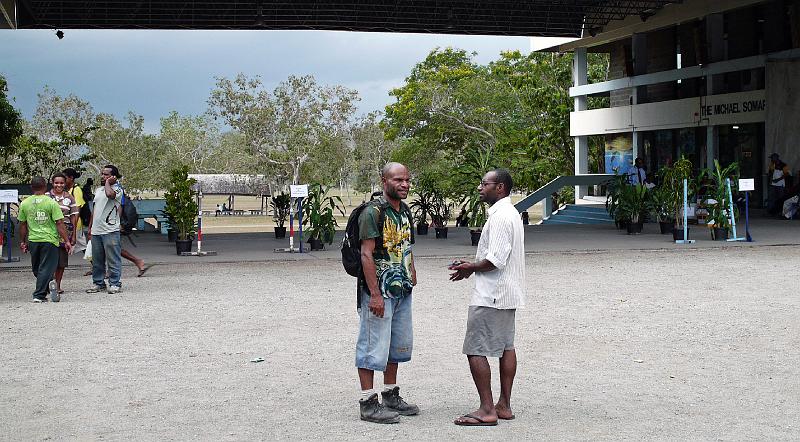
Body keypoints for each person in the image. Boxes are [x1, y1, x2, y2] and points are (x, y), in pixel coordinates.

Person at [448, 168, 525, 427]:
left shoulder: (502, 217)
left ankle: (486, 409)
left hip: (491, 295)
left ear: (500, 187)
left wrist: (470, 267)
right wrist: (471, 269)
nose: (480, 188)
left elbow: (495, 260)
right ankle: (504, 405)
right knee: (506, 347)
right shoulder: (510, 213)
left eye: (485, 184)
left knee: (475, 349)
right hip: (507, 293)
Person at [356, 162, 418, 424]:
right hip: (379, 292)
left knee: (396, 345)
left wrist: (412, 272)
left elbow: (406, 245)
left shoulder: (404, 211)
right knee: (372, 346)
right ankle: (368, 403)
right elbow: (366, 253)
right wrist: (375, 294)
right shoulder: (372, 212)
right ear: (384, 180)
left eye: (406, 180)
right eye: (397, 180)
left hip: (402, 290)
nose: (403, 184)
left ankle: (390, 395)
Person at [18, 176, 73, 302]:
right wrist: (67, 241)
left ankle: (40, 293)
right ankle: (44, 288)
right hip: (50, 240)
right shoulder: (51, 203)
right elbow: (60, 223)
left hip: (33, 240)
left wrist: (22, 241)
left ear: (31, 188)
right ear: (45, 187)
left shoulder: (25, 203)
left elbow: (22, 224)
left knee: (37, 269)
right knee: (44, 268)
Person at [86, 165, 124, 294]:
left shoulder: (117, 189)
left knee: (113, 258)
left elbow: (110, 195)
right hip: (97, 230)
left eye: (106, 175)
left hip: (110, 230)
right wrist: (90, 228)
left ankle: (114, 283)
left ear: (113, 176)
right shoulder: (98, 190)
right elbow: (95, 209)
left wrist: (108, 183)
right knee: (97, 260)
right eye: (102, 174)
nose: (103, 177)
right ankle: (98, 282)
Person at [46, 173, 79, 295]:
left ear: (65, 184)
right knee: (49, 260)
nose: (58, 185)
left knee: (61, 261)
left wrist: (73, 235)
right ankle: (48, 284)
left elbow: (74, 218)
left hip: (65, 233)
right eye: (56, 182)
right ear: (52, 183)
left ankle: (58, 285)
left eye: (61, 183)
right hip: (48, 233)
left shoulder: (69, 198)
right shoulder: (46, 197)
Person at [63, 168, 87, 254]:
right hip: (68, 224)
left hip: (75, 225)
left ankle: (96, 265)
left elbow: (77, 211)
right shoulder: (67, 190)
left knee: (84, 247)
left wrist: (74, 228)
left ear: (71, 178)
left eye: (65, 178)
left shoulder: (76, 190)